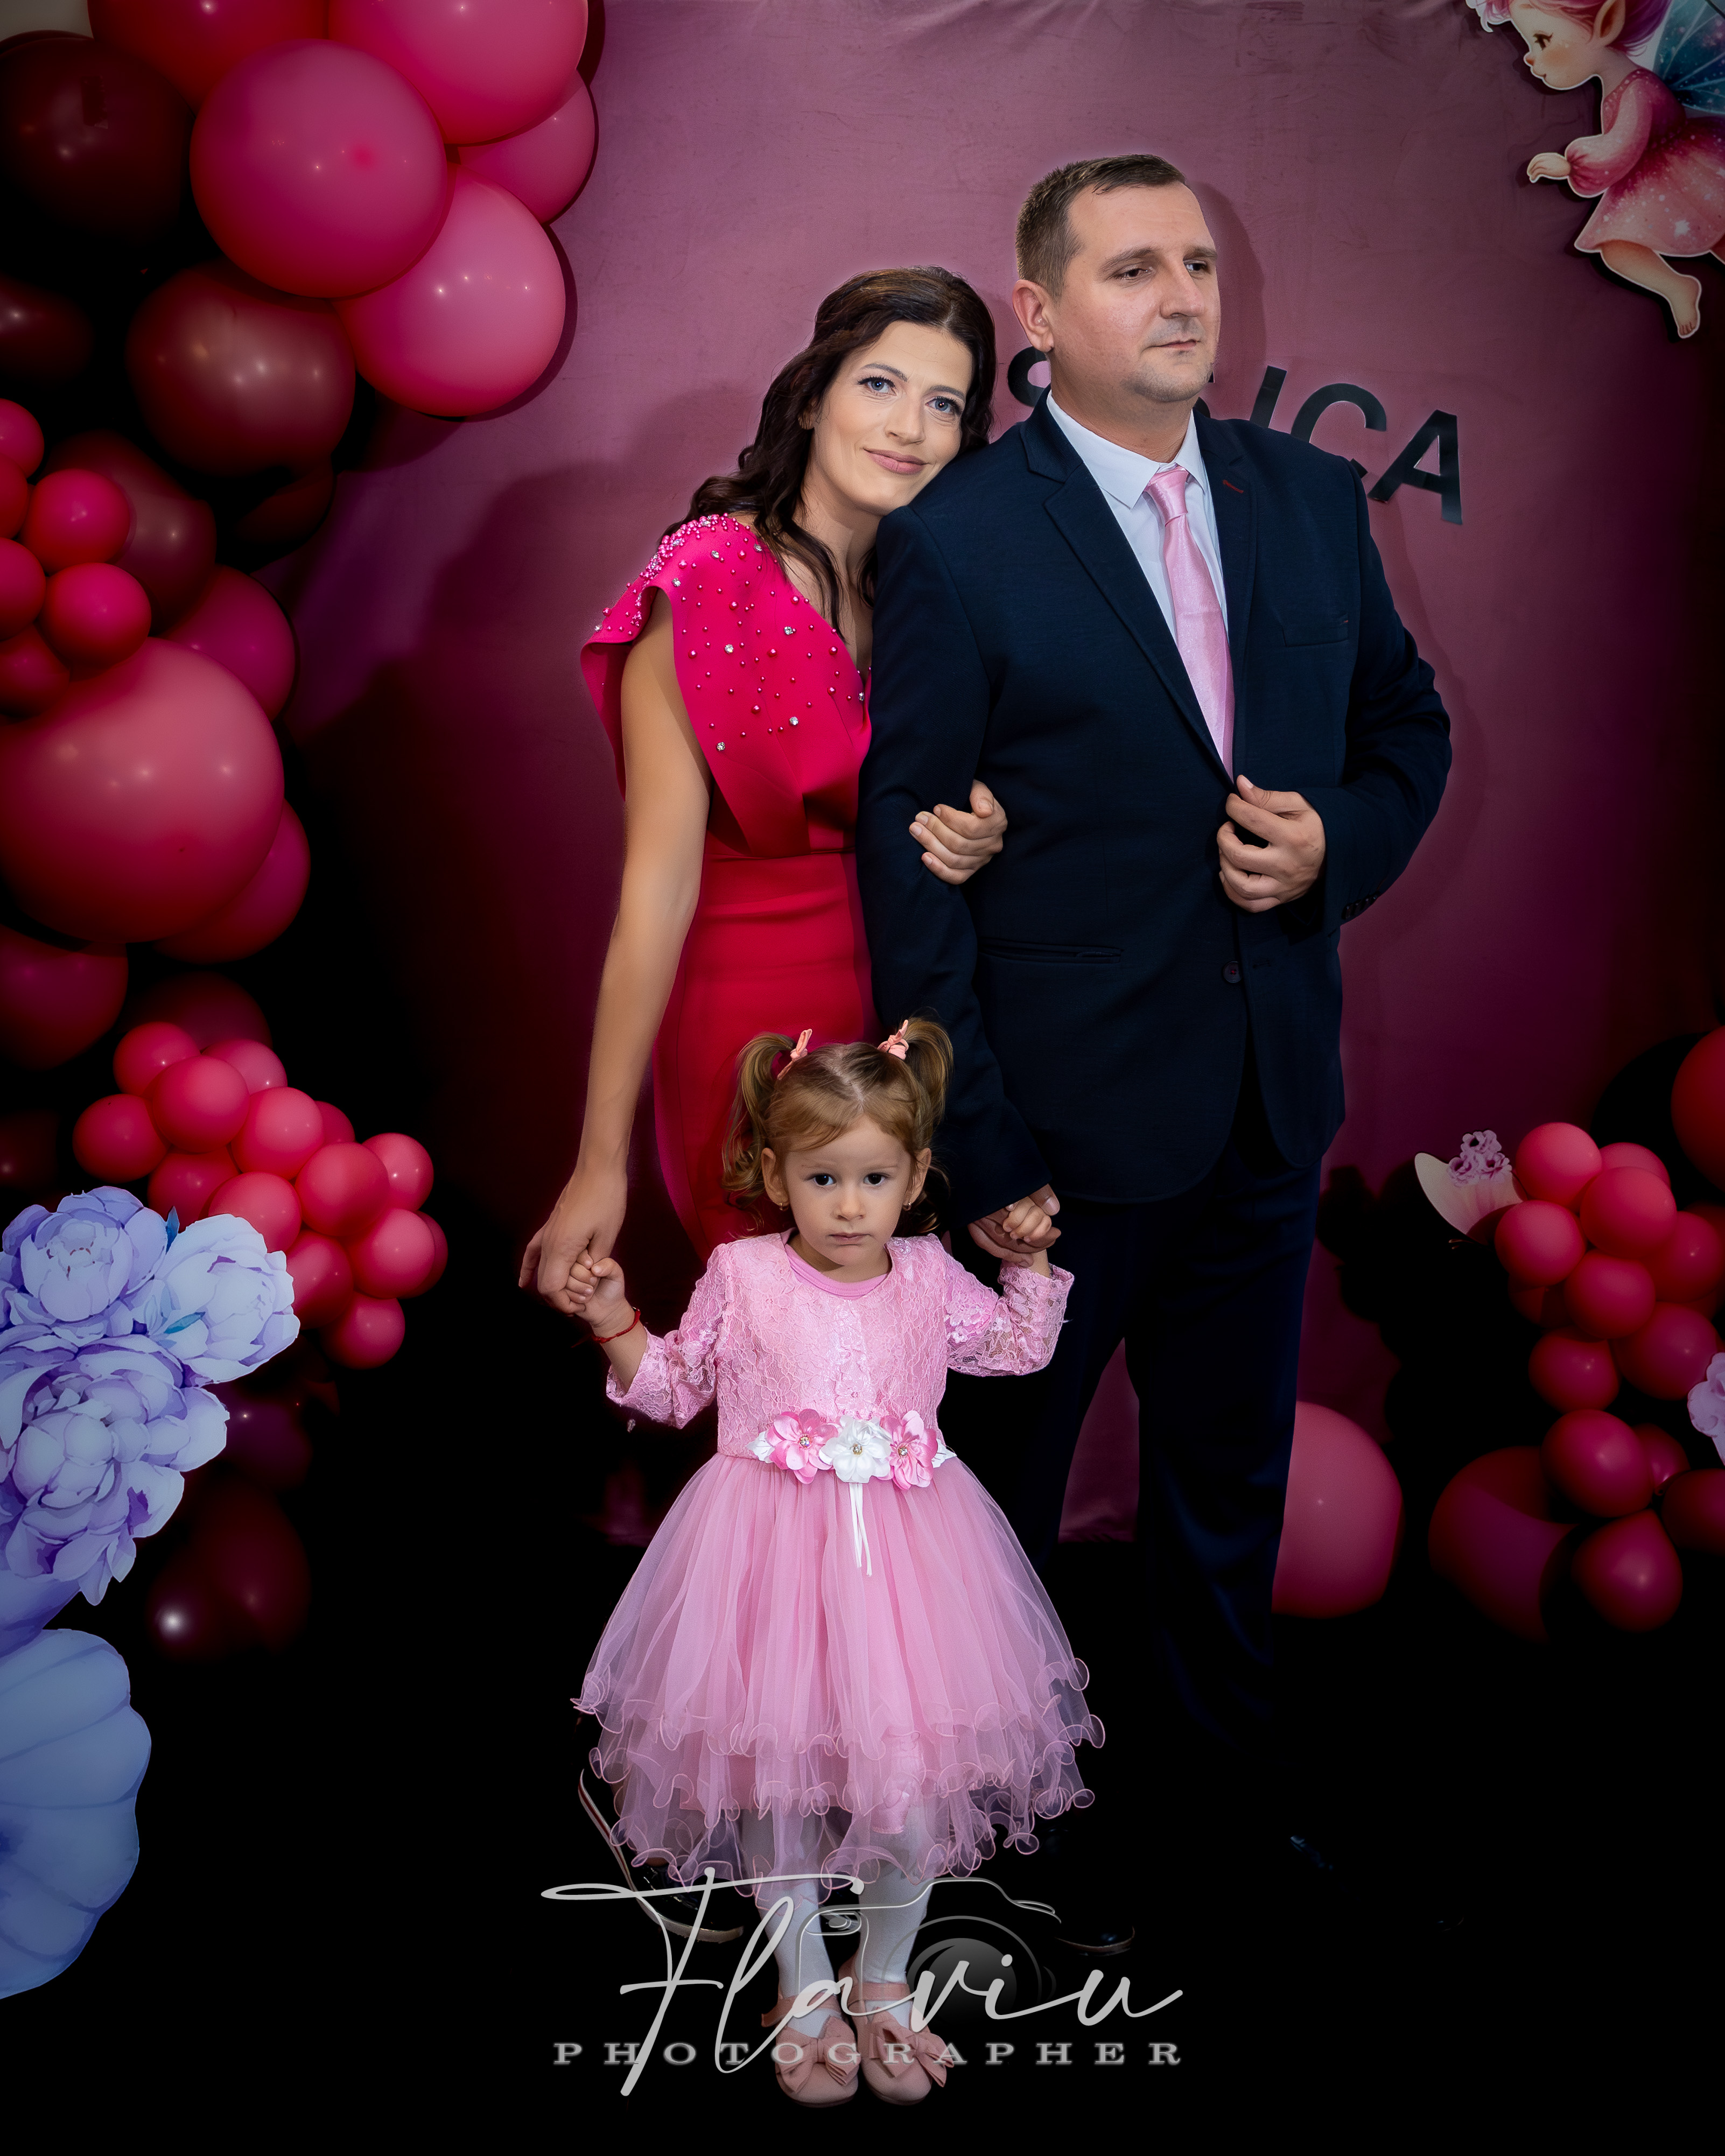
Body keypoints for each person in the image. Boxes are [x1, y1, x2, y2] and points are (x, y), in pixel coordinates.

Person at [855, 157, 1452, 1887]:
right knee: (996, 1505)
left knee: (1224, 1490)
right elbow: (912, 871)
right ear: (1039, 314)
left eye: (1194, 261)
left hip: (1265, 1103)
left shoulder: (1310, 498)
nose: (1181, 294)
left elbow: (1406, 732)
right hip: (1051, 1140)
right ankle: (976, 1839)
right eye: (1132, 269)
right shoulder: (959, 538)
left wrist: (1338, 844)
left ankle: (1217, 1809)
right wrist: (977, 1148)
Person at [569, 1019, 1096, 2106]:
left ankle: (884, 1976)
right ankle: (803, 1980)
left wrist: (1030, 1264)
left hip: (908, 1574)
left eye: (874, 1178)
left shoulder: (926, 1272)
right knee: (778, 1792)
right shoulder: (743, 1273)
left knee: (908, 1793)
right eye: (822, 1178)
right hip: (763, 1569)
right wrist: (615, 1318)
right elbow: (672, 1389)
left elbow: (1017, 1347)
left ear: (915, 1177)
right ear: (775, 1176)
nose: (850, 1205)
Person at [521, 269, 1028, 1301]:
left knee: (894, 1349)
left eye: (943, 404)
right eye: (879, 385)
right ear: (810, 398)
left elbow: (967, 791)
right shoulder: (708, 575)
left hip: (908, 1012)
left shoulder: (935, 590)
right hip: (747, 1023)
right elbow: (655, 892)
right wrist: (598, 1162)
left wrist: (980, 826)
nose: (909, 427)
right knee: (781, 1336)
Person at [1472, 0, 1725, 342]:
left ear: (1607, 24)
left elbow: (1623, 143)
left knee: (1712, 232)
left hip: (1681, 170)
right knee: (1618, 249)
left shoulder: (1636, 88)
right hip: (1652, 180)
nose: (1529, 58)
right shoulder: (1622, 86)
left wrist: (1572, 164)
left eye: (1542, 40)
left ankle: (1678, 287)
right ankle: (1678, 287)